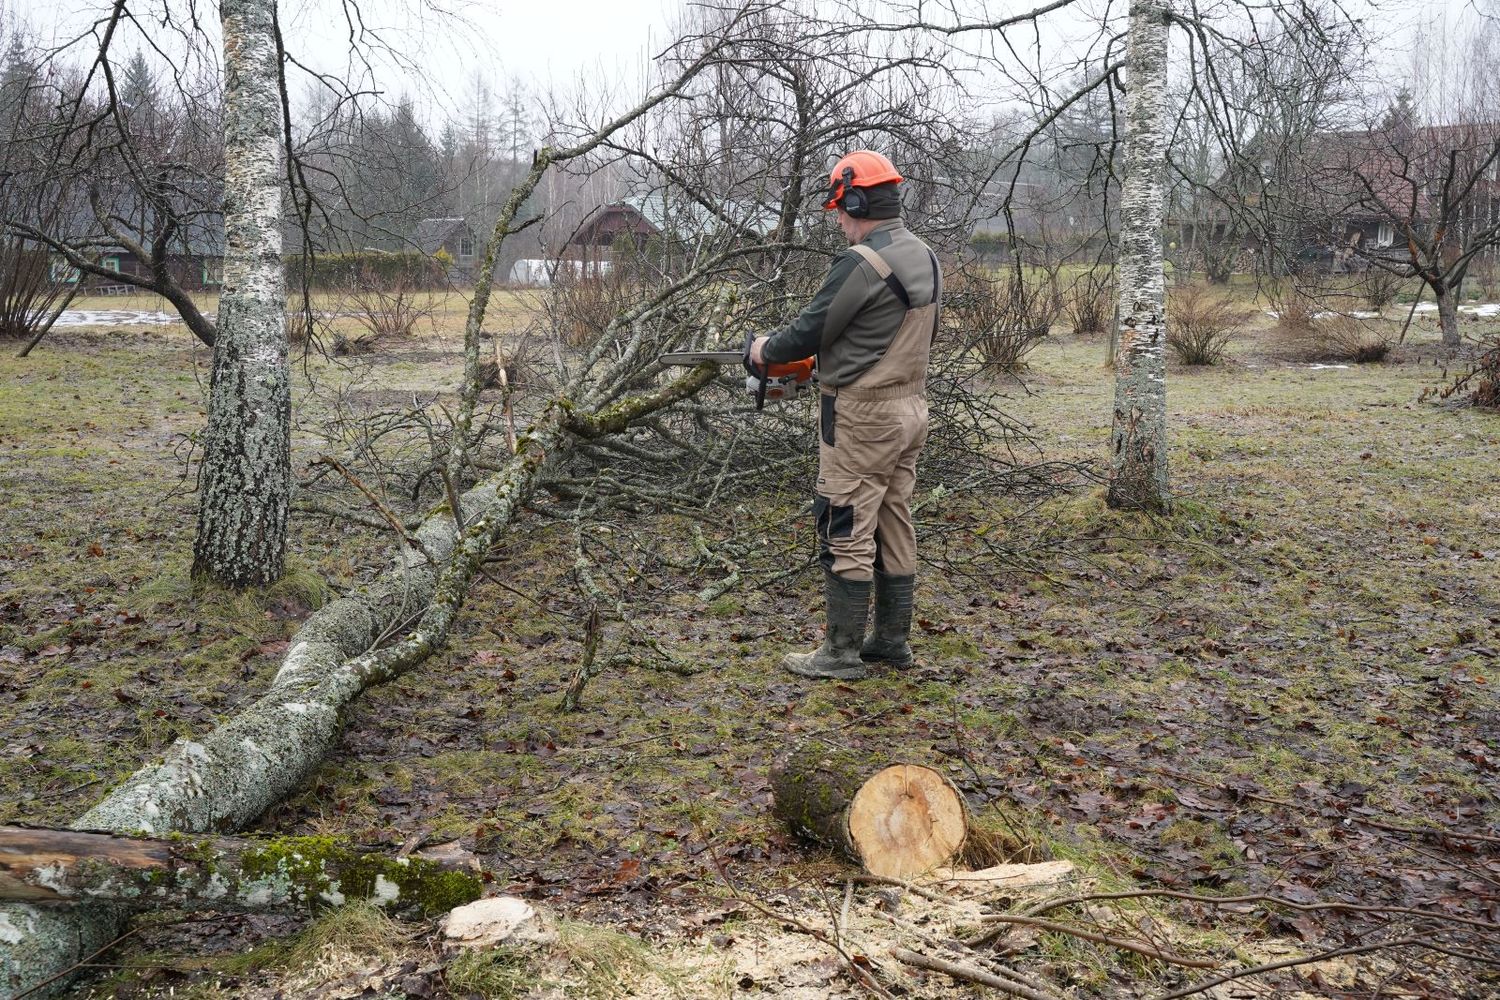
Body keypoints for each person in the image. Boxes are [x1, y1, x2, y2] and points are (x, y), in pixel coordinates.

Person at [750, 150, 941, 680]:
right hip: (910, 408)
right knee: (892, 518)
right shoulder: (924, 255)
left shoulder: (861, 264)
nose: (838, 220)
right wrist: (826, 362)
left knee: (845, 519)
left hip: (861, 416)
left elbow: (806, 331)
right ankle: (892, 642)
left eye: (839, 208)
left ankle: (839, 651)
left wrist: (765, 350)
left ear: (856, 201)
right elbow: (881, 334)